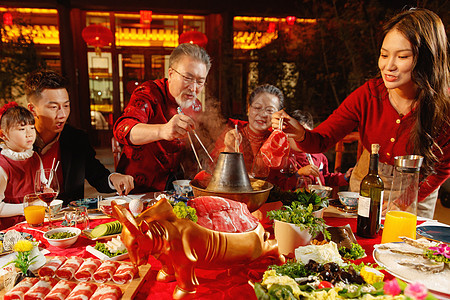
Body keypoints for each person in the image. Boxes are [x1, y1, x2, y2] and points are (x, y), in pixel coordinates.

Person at [271, 8, 450, 218]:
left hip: (416, 193)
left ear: (427, 59)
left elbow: (441, 169)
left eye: (402, 56)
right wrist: (300, 133)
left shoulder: (443, 108)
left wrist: (404, 200)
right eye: (384, 55)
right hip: (366, 185)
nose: (388, 66)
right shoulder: (369, 95)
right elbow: (320, 141)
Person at [25, 70, 134, 206]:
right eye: (54, 107)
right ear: (32, 110)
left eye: (66, 105)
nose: (63, 114)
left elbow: (98, 176)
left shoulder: (76, 139)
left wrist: (114, 178)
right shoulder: (15, 143)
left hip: (68, 221)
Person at [113, 43, 211, 193]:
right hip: (138, 190)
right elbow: (122, 129)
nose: (193, 88)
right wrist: (163, 130)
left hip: (176, 188)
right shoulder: (148, 93)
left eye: (200, 81)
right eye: (188, 78)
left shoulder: (195, 106)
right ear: (171, 74)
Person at [211, 84, 284, 174]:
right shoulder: (232, 132)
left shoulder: (279, 141)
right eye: (257, 108)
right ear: (249, 108)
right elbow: (212, 169)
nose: (263, 114)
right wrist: (228, 148)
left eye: (269, 110)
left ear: (278, 114)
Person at [0, 103, 41, 229]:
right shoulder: (3, 165)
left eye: (32, 128)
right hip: (9, 229)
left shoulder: (35, 157)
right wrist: (26, 207)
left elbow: (43, 186)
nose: (29, 134)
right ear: (3, 135)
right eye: (22, 129)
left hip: (35, 222)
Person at [288, 110, 352, 188]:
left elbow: (326, 179)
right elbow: (281, 184)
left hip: (320, 198)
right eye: (296, 135)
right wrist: (299, 173)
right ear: (287, 136)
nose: (300, 140)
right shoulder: (285, 159)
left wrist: (345, 177)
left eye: (305, 135)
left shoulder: (319, 157)